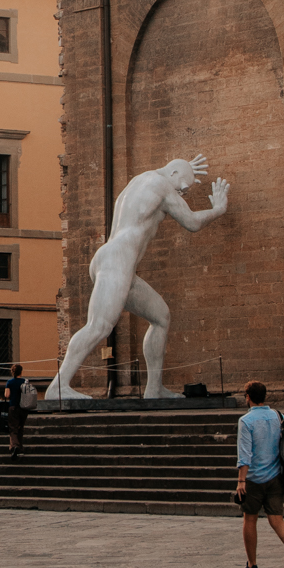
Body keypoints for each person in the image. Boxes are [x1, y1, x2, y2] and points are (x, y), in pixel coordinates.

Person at [46, 154, 230, 401]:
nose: (182, 194)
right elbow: (192, 222)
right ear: (173, 174)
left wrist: (186, 169)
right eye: (184, 187)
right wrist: (218, 209)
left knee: (161, 316)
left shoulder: (140, 180)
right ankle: (58, 386)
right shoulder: (164, 185)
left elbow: (170, 174)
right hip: (117, 262)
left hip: (116, 262)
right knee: (98, 326)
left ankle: (154, 389)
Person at [236, 381, 284, 568]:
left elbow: (245, 455)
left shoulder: (246, 421)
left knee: (250, 519)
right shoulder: (280, 417)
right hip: (276, 477)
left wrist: (241, 481)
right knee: (277, 519)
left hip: (255, 478)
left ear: (248, 397)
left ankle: (252, 565)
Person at [3, 363, 37, 458]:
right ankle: (20, 447)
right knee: (20, 428)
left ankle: (14, 446)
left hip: (13, 407)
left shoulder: (10, 382)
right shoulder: (25, 382)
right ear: (21, 372)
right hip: (24, 407)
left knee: (13, 428)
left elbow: (7, 395)